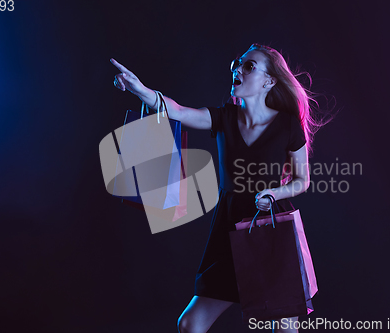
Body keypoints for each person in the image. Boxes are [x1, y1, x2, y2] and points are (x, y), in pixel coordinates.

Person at [111, 43, 323, 333]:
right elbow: (177, 111)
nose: (237, 68)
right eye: (237, 62)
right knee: (190, 324)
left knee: (285, 330)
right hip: (229, 229)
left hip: (272, 230)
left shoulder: (287, 125)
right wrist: (140, 89)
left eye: (249, 65)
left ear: (268, 81)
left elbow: (302, 180)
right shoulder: (224, 118)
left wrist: (274, 193)